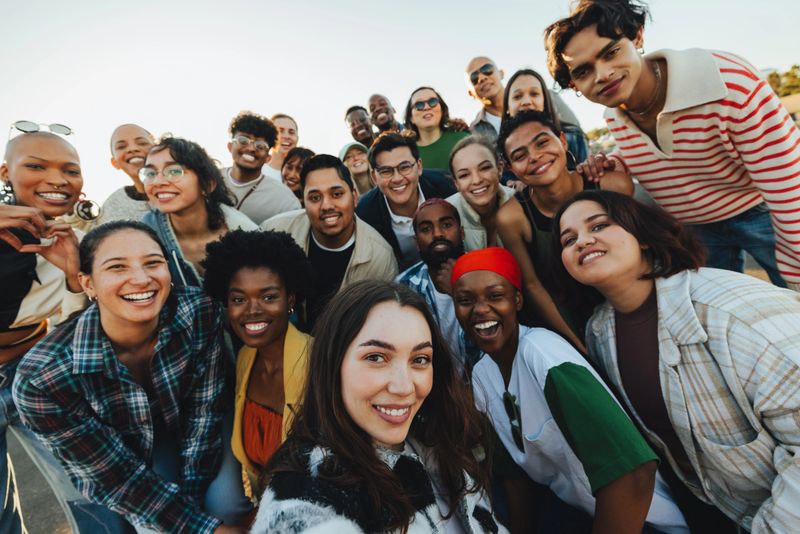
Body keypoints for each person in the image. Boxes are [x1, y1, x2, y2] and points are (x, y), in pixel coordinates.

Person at [553, 189, 800, 533]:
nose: (582, 241)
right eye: (569, 239)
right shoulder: (600, 333)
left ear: (642, 236)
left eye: (599, 225)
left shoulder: (734, 315)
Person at [13, 221, 251, 533]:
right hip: (122, 451)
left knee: (227, 506)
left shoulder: (198, 311)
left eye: (153, 263)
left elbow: (204, 414)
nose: (141, 279)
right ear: (88, 284)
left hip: (192, 427)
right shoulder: (42, 379)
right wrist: (199, 528)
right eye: (117, 267)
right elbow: (114, 477)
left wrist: (201, 517)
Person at [544, 0, 800, 289]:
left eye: (611, 52)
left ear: (637, 36)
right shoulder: (613, 117)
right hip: (694, 228)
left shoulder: (728, 83)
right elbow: (661, 147)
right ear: (574, 85)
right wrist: (617, 163)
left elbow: (789, 187)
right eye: (583, 72)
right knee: (717, 304)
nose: (602, 74)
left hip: (759, 211)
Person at [452, 247, 688, 534]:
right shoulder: (482, 375)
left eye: (495, 296)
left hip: (642, 520)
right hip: (577, 511)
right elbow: (515, 477)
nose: (480, 309)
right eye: (465, 300)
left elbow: (634, 476)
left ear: (517, 299)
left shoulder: (543, 355)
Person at [251, 280, 505, 533]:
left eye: (419, 359)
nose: (404, 386)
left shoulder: (435, 444)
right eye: (376, 357)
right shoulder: (303, 494)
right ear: (333, 365)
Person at [0, 129, 130, 533]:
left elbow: (89, 334)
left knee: (92, 494)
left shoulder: (82, 243)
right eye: (36, 166)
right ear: (6, 172)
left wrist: (76, 275)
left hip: (33, 374)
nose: (56, 180)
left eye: (70, 171)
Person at [495, 110, 632, 352]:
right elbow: (533, 285)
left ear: (563, 140)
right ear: (511, 168)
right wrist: (577, 346)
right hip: (570, 320)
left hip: (628, 303)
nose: (535, 156)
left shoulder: (612, 185)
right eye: (520, 155)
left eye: (542, 142)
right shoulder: (511, 218)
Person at [202, 229, 313, 499]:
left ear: (290, 300)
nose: (252, 310)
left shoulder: (319, 363)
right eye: (239, 299)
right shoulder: (244, 360)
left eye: (268, 297)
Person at [263, 154, 397, 327]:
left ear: (354, 198)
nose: (326, 205)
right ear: (304, 202)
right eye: (315, 198)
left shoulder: (380, 257)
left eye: (337, 194)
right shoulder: (276, 232)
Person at [141, 137, 257, 288]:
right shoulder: (145, 234)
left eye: (174, 171)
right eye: (150, 173)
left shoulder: (248, 236)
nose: (157, 182)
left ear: (208, 184)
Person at [395, 199, 480, 376]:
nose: (438, 234)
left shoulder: (485, 273)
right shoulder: (404, 286)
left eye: (447, 225)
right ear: (416, 242)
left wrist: (458, 291)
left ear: (462, 232)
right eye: (426, 229)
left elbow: (492, 343)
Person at [357, 133, 456, 270]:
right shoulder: (364, 215)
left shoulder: (446, 186)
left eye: (404, 167)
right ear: (374, 177)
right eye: (386, 171)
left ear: (419, 166)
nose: (397, 178)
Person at [222, 112, 300, 225]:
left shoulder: (285, 201)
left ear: (268, 158)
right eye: (243, 141)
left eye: (260, 146)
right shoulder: (210, 181)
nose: (251, 148)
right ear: (230, 147)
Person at [502, 68, 588, 168]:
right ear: (507, 107)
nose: (526, 101)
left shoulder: (572, 136)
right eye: (517, 96)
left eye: (534, 94)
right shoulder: (501, 151)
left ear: (544, 101)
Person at [446, 135, 514, 250]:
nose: (477, 180)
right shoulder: (445, 213)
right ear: (456, 183)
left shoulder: (522, 203)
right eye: (464, 175)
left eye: (484, 168)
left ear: (500, 169)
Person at [95, 123, 154, 226]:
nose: (132, 149)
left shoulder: (185, 189)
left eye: (142, 143)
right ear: (115, 163)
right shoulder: (113, 206)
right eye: (121, 146)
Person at [404, 87, 469, 172]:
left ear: (442, 110)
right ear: (411, 117)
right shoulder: (405, 152)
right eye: (419, 104)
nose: (427, 107)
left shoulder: (464, 140)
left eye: (432, 102)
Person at [466, 56, 505, 141]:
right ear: (471, 93)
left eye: (487, 69)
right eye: (474, 78)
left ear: (501, 74)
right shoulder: (473, 133)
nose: (482, 78)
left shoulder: (528, 105)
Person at [263, 113, 299, 182]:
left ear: (297, 139)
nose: (287, 136)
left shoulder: (305, 174)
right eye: (280, 131)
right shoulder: (258, 173)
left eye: (291, 132)